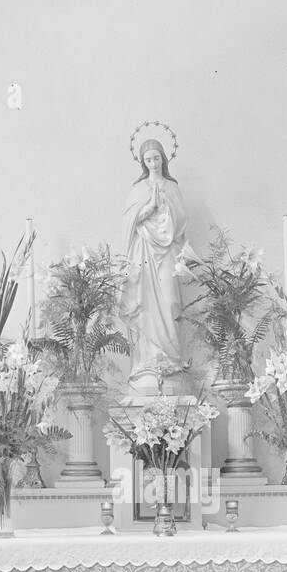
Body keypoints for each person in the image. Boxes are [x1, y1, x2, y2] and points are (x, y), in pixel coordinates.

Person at [121, 139, 188, 393]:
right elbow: (128, 223)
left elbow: (182, 221)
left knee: (170, 299)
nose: (153, 163)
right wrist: (147, 209)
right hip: (144, 251)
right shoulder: (137, 190)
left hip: (167, 250)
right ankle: (146, 362)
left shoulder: (172, 187)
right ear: (143, 162)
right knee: (146, 305)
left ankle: (170, 360)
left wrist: (167, 207)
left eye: (156, 158)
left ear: (163, 159)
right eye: (148, 160)